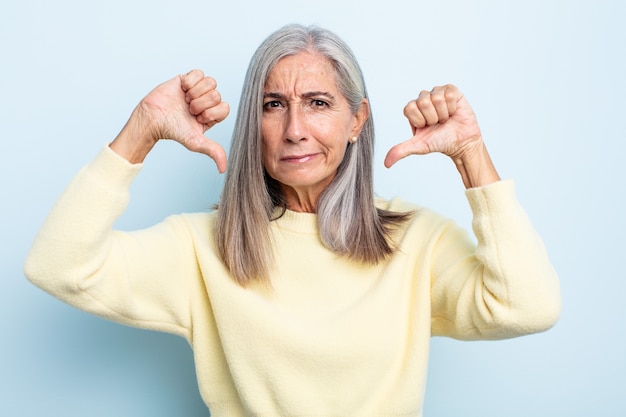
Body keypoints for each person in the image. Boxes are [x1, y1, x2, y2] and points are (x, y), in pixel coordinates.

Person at [24, 24, 561, 416]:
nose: (295, 129)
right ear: (252, 123)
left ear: (357, 120)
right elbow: (58, 265)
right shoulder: (202, 247)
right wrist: (140, 130)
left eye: (319, 102)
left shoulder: (415, 239)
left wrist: (470, 154)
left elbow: (527, 307)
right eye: (273, 104)